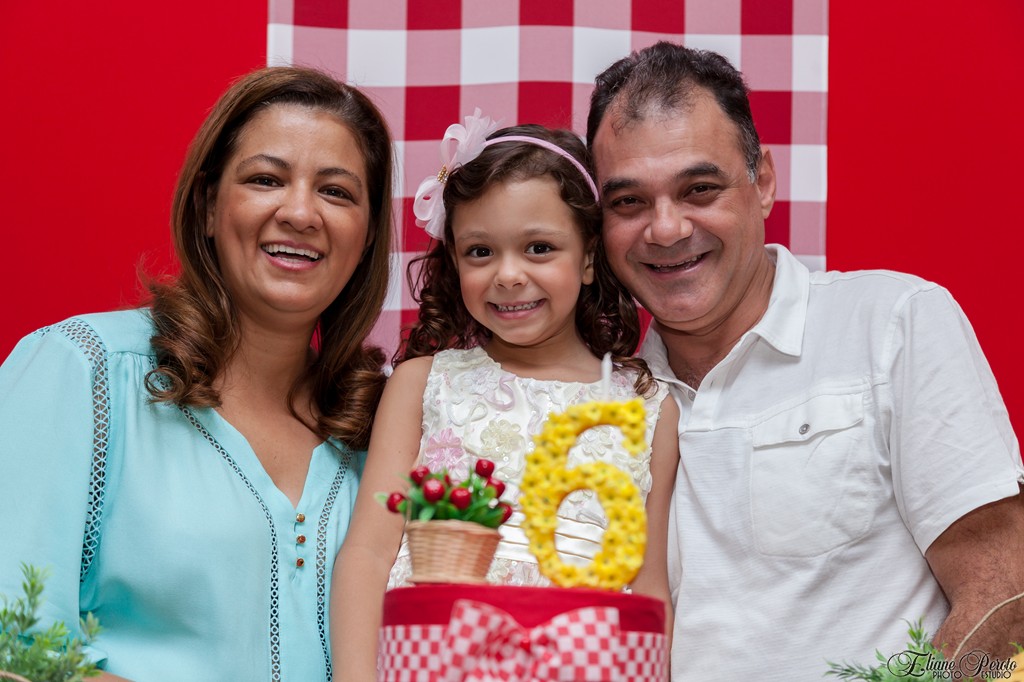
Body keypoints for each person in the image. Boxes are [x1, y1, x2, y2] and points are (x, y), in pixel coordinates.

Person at [587, 41, 1024, 677]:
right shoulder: (600, 403)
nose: (666, 229)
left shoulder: (892, 323)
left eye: (699, 188)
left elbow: (1005, 597)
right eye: (629, 203)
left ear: (761, 181)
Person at [0, 66, 394, 681]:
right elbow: (14, 646)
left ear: (368, 237)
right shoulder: (82, 371)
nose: (300, 212)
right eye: (266, 179)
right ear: (209, 206)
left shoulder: (386, 431)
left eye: (337, 192)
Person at [330, 116, 680, 680]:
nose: (509, 275)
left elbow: (650, 588)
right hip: (430, 665)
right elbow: (368, 554)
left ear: (589, 256)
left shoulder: (650, 408)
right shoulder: (421, 384)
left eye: (539, 247)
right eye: (480, 252)